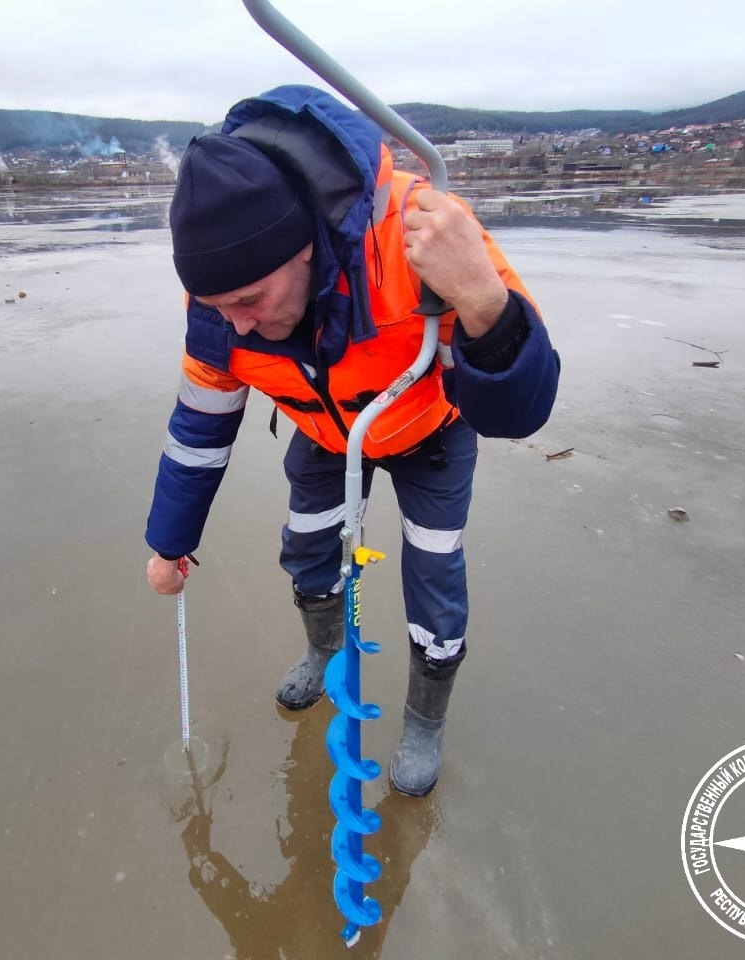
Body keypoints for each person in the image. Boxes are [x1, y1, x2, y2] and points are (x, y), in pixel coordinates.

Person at [144, 85, 560, 797]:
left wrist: (483, 302)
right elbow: (200, 428)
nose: (235, 324)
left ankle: (425, 719)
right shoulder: (218, 303)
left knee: (434, 568)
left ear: (304, 246)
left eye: (249, 301)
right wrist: (169, 542)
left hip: (429, 430)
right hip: (325, 433)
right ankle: (324, 652)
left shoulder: (420, 237)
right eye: (218, 307)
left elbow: (521, 410)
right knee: (308, 546)